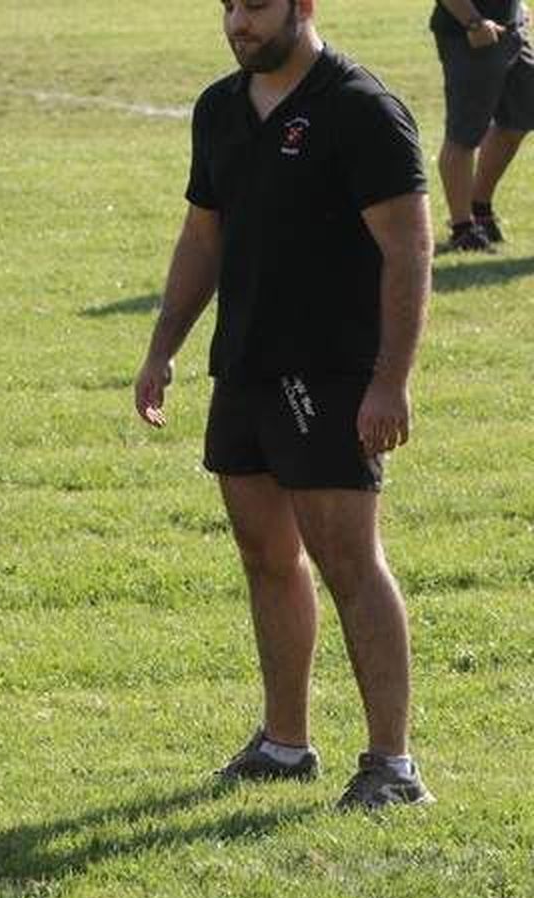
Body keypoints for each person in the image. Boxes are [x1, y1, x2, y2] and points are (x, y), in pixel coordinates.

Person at [133, 0, 435, 809]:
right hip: (245, 369)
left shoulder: (361, 109)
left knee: (348, 562)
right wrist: (164, 346)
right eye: (229, 8)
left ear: (304, 7)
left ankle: (392, 767)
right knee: (266, 557)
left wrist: (390, 378)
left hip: (333, 375)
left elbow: (407, 251)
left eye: (258, 7)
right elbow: (205, 235)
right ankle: (284, 743)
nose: (239, 23)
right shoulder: (220, 108)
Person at [430, 0, 534, 251]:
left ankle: (479, 208)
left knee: (520, 119)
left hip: (511, 29)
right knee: (464, 135)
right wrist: (473, 21)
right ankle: (463, 229)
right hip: (470, 35)